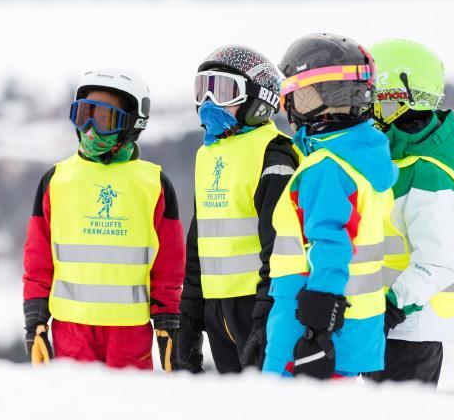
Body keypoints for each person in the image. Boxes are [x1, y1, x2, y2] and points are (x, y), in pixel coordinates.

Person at [22, 68, 185, 370]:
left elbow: (169, 266)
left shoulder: (153, 185)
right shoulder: (56, 181)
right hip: (71, 330)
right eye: (84, 113)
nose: (89, 128)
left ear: (131, 124)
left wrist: (167, 322)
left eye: (103, 118)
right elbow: (38, 261)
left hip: (129, 334)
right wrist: (36, 320)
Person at [263, 33, 397, 379]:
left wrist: (316, 326)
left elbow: (331, 242)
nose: (287, 107)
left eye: (296, 95)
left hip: (308, 323)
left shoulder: (328, 166)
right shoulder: (364, 155)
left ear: (318, 102)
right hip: (355, 323)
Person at [179, 46, 298, 374]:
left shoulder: (273, 157)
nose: (207, 103)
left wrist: (266, 311)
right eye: (202, 90)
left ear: (258, 101)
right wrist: (188, 318)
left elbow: (281, 247)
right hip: (218, 308)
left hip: (256, 305)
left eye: (221, 92)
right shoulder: (207, 156)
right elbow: (198, 243)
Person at [363, 39, 454, 386]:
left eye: (377, 98)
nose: (368, 109)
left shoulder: (429, 174)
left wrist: (390, 308)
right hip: (378, 324)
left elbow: (439, 261)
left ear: (404, 100)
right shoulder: (392, 164)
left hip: (409, 330)